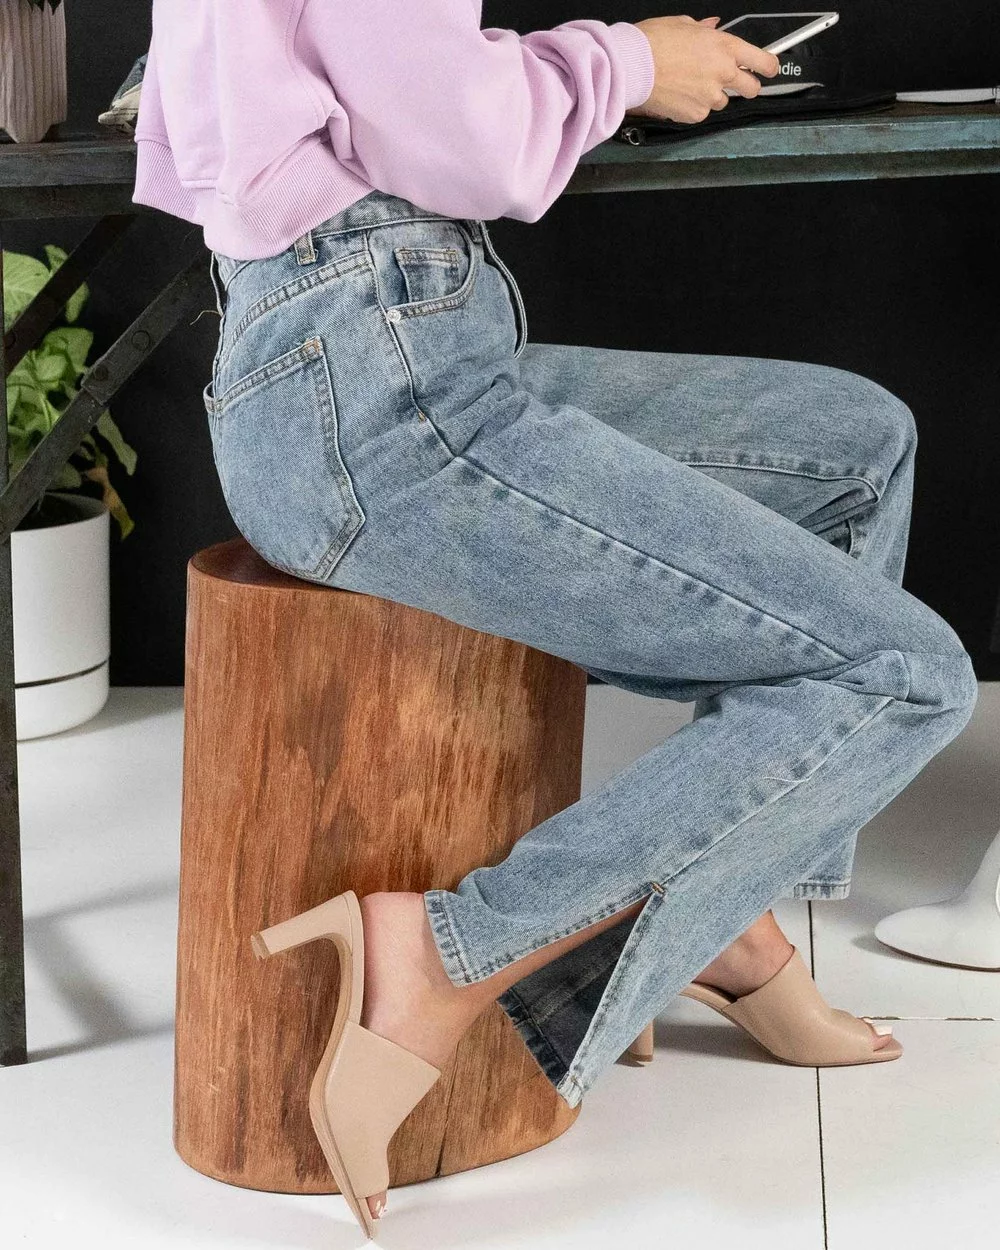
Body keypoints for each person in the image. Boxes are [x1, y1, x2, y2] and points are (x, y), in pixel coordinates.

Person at [134, 4, 978, 1237]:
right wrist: (628, 62)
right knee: (903, 668)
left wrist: (600, 65)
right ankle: (448, 950)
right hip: (379, 397)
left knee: (855, 445)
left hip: (381, 348)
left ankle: (721, 907)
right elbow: (458, 135)